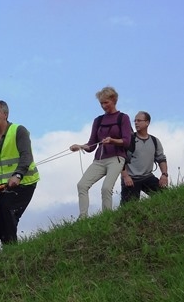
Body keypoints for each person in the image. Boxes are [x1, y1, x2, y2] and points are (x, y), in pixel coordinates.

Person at [0, 100, 39, 252]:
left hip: (24, 183)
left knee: (7, 210)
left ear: (5, 115)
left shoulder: (19, 131)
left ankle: (12, 250)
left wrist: (17, 175)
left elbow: (26, 157)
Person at [70, 86, 132, 217]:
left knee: (106, 188)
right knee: (82, 185)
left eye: (106, 102)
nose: (103, 106)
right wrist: (80, 146)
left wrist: (112, 140)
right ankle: (83, 217)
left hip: (116, 158)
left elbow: (127, 141)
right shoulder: (98, 120)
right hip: (99, 160)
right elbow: (92, 145)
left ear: (114, 100)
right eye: (101, 103)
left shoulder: (123, 118)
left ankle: (107, 217)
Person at [120, 111, 169, 204]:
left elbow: (161, 158)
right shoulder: (129, 140)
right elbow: (120, 159)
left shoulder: (154, 141)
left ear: (147, 122)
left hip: (147, 177)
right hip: (131, 179)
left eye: (139, 120)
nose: (136, 123)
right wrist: (125, 176)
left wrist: (164, 175)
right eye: (135, 121)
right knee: (129, 209)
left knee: (167, 197)